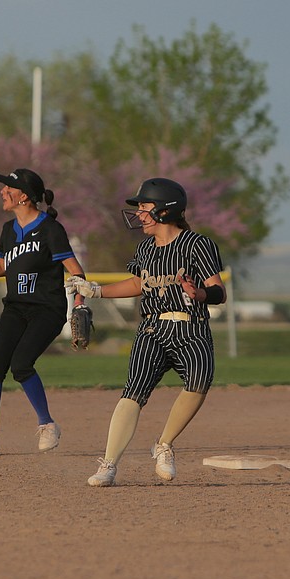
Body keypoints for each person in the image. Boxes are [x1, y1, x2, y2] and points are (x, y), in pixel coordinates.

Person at [66, 178, 226, 487]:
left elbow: (218, 289)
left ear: (165, 211)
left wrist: (203, 295)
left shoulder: (197, 244)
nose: (139, 214)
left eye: (144, 207)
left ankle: (163, 444)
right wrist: (97, 290)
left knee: (199, 381)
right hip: (152, 328)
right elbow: (138, 283)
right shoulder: (145, 248)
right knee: (133, 392)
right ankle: (109, 464)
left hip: (191, 327)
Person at [0, 169, 87, 457]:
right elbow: (1, 267)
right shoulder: (8, 230)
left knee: (21, 364)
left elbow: (76, 271)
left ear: (23, 196)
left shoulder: (50, 229)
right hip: (16, 306)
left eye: (8, 187)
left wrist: (80, 305)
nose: (2, 191)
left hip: (47, 309)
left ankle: (47, 424)